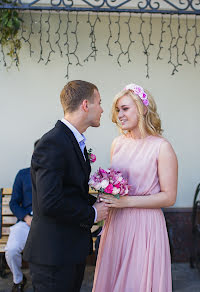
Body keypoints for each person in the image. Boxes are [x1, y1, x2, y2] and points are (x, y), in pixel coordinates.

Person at [23, 80, 108, 292]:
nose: (103, 109)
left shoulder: (72, 141)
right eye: (100, 102)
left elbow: (70, 191)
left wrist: (101, 200)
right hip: (53, 255)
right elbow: (50, 202)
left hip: (69, 251)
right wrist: (92, 213)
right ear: (86, 105)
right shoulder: (53, 142)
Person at [92, 83, 178, 292]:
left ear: (143, 108)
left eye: (125, 108)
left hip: (145, 226)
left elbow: (169, 197)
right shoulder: (117, 144)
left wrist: (127, 202)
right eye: (117, 109)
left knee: (137, 282)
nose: (120, 114)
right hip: (116, 224)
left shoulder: (161, 147)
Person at [5, 140, 39, 292]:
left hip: (47, 223)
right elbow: (13, 203)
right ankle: (18, 279)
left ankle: (43, 282)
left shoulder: (55, 174)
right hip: (26, 221)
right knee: (11, 250)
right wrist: (26, 218)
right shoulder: (23, 174)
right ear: (34, 154)